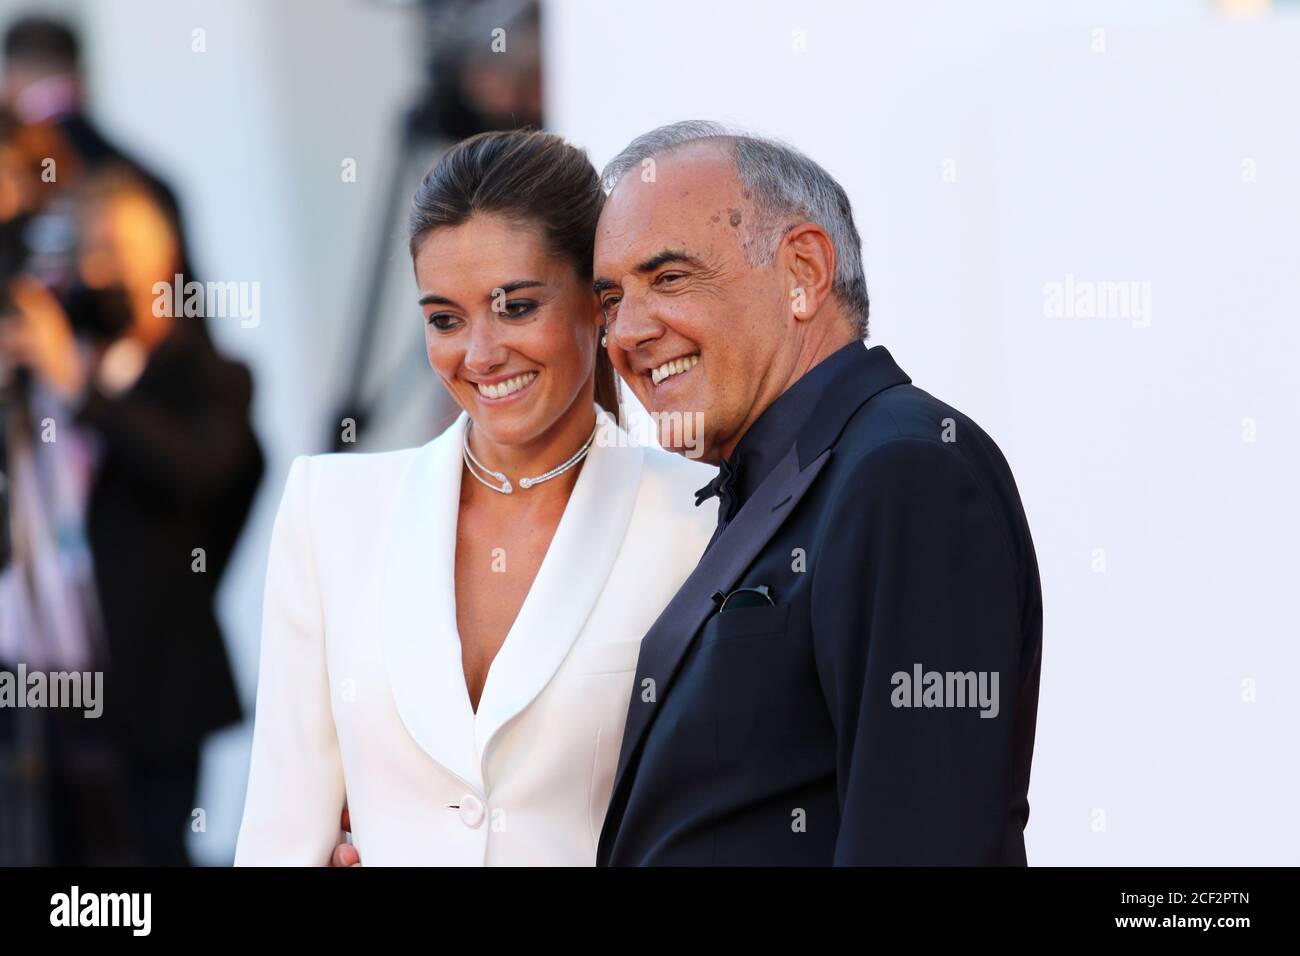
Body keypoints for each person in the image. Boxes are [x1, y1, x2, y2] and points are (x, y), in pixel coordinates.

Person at [234, 130, 715, 866]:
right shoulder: (329, 509)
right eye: (445, 320)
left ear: (598, 303)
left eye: (516, 307)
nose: (481, 354)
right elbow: (281, 831)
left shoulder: (702, 516)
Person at [591, 121, 1043, 865]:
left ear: (803, 271)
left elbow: (925, 839)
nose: (626, 333)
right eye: (611, 299)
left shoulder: (905, 469)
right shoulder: (778, 483)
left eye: (668, 279)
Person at [0, 169, 263, 864]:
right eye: (85, 250)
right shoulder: (41, 379)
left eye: (116, 248)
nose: (98, 268)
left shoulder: (209, 375)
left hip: (157, 684)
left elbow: (198, 472)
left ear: (165, 259)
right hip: (44, 677)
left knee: (151, 859)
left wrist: (81, 389)